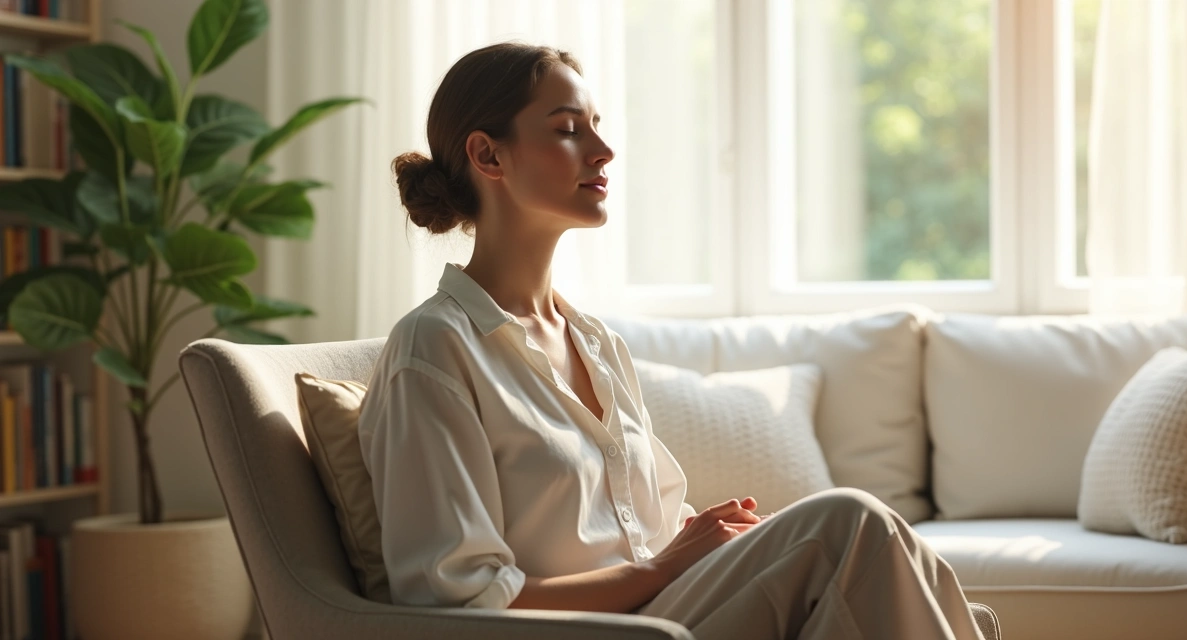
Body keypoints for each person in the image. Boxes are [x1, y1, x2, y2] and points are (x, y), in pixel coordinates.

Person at [356, 41, 988, 640]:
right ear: (489, 156)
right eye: (569, 129)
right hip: (594, 630)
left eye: (597, 125)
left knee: (882, 554)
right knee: (849, 522)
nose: (603, 150)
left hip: (665, 613)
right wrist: (663, 570)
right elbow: (456, 599)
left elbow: (654, 530)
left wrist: (724, 541)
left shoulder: (594, 342)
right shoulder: (435, 348)